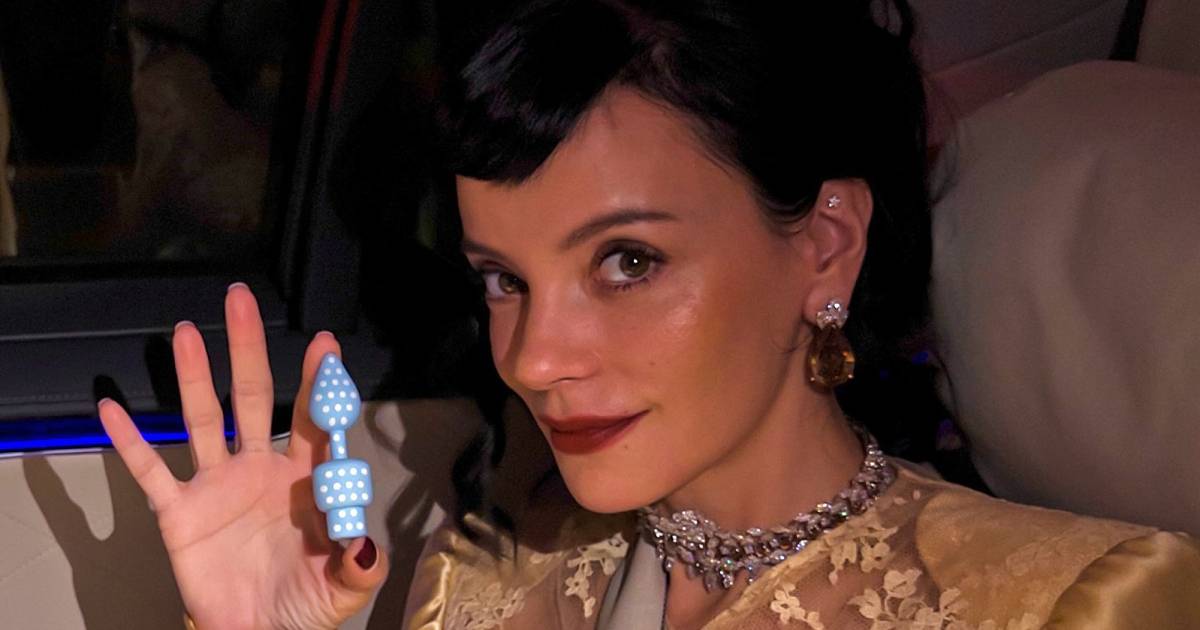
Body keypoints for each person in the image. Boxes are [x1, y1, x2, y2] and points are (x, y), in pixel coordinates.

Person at [98, 1, 1200, 629]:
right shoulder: (482, 585)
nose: (535, 358)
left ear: (825, 246)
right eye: (502, 279)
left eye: (627, 262)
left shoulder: (1076, 604)